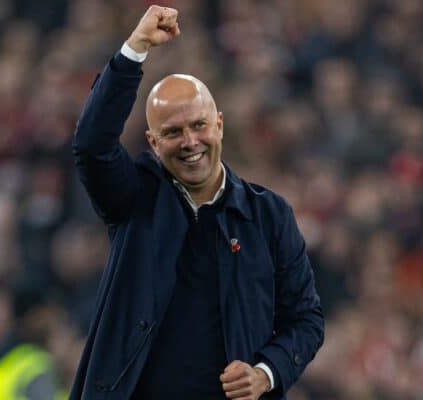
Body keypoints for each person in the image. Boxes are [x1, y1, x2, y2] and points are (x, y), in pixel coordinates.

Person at [69, 6, 324, 400]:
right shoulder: (135, 198)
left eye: (199, 125)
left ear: (219, 124)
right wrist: (135, 50)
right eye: (172, 132)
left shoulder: (269, 215)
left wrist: (266, 371)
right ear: (153, 144)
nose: (190, 142)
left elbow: (305, 319)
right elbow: (90, 146)